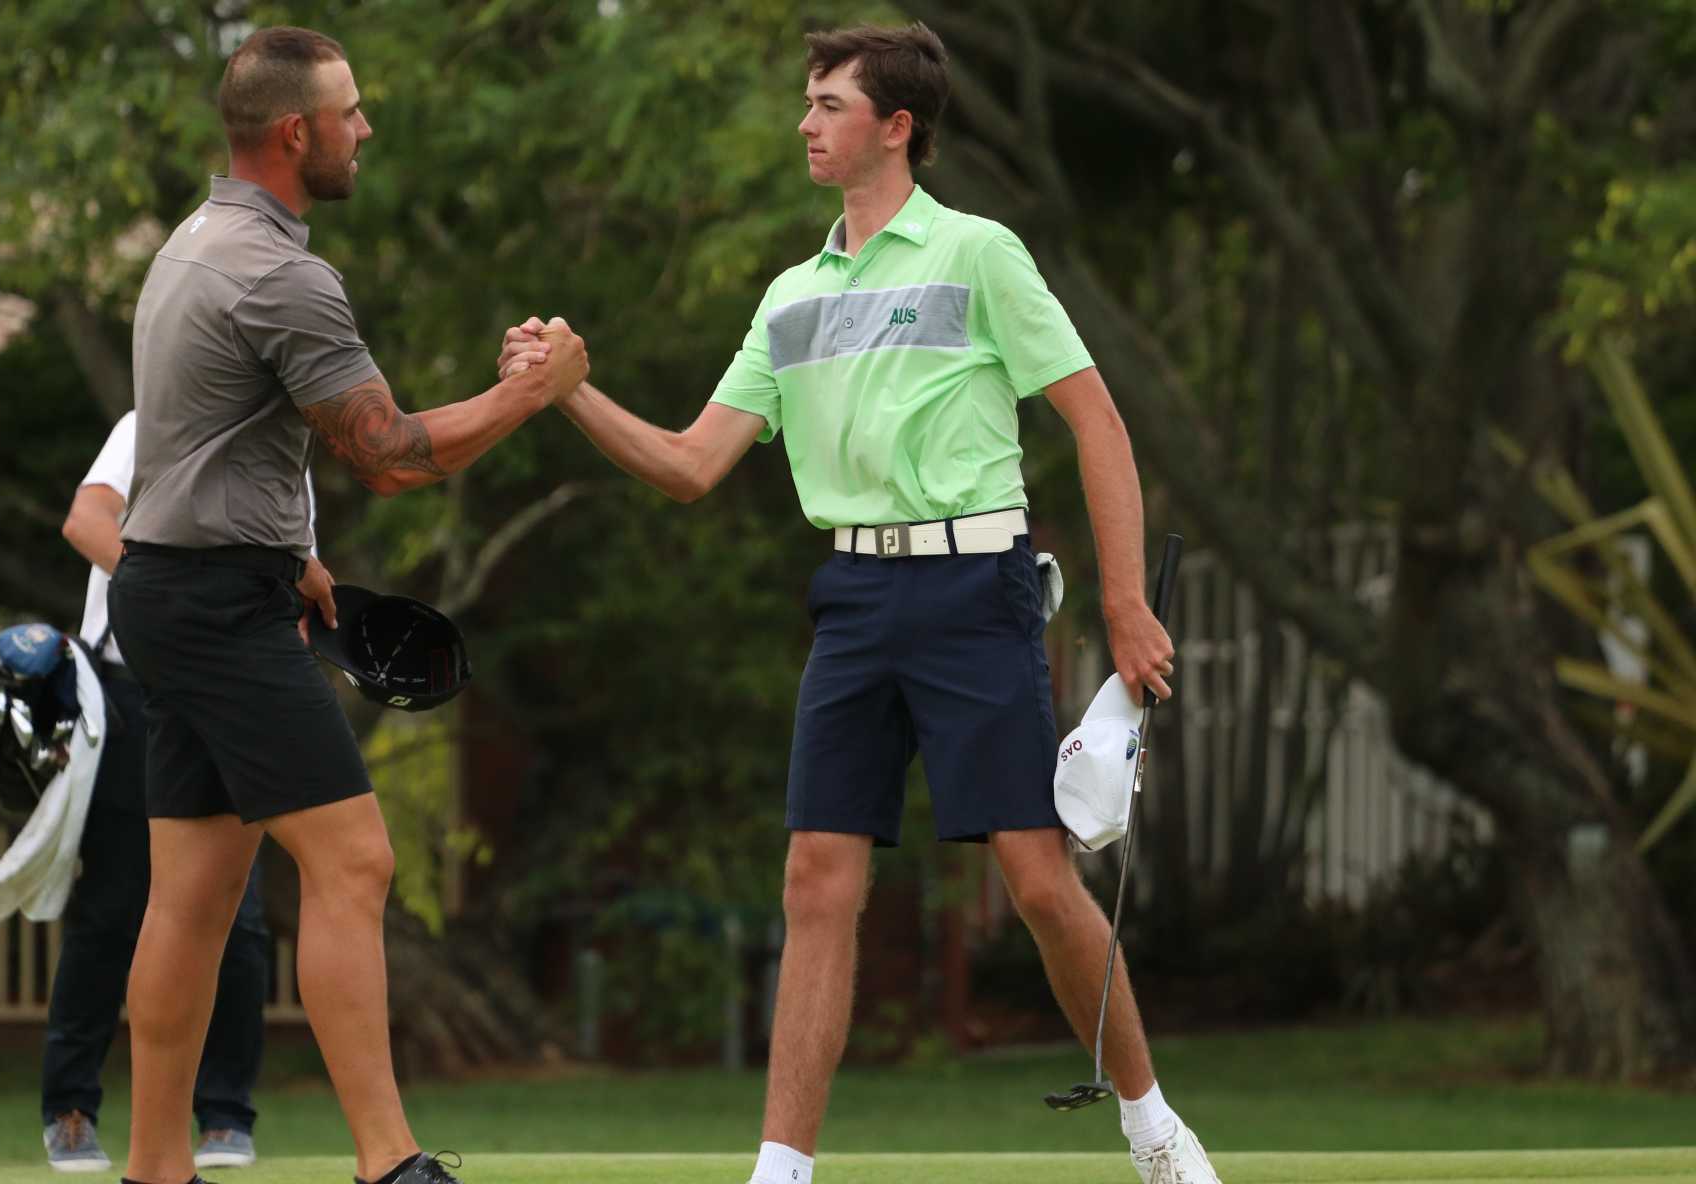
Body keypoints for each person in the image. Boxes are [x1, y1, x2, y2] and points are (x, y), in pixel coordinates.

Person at [497, 22, 1220, 1184]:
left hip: (974, 587)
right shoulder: (789, 295)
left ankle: (1150, 1125)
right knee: (814, 877)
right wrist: (569, 395)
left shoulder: (978, 252)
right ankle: (781, 1168)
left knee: (1037, 879)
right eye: (807, 100)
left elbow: (1097, 421)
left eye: (830, 102)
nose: (805, 121)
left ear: (897, 126)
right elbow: (689, 465)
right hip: (852, 596)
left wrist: (1126, 606)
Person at [107, 25, 587, 1184]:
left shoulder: (192, 243)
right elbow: (394, 456)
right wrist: (536, 390)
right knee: (357, 860)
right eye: (350, 112)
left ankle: (153, 1169)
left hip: (171, 585)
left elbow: (212, 440)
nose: (364, 129)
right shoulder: (283, 273)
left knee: (194, 892)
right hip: (216, 605)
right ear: (294, 132)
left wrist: (290, 552)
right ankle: (389, 1163)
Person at [42, 410, 269, 1174]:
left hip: (237, 687)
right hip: (132, 685)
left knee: (237, 914)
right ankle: (71, 1110)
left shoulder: (286, 431)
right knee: (114, 905)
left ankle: (226, 1116)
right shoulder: (155, 420)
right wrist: (178, 602)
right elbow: (86, 519)